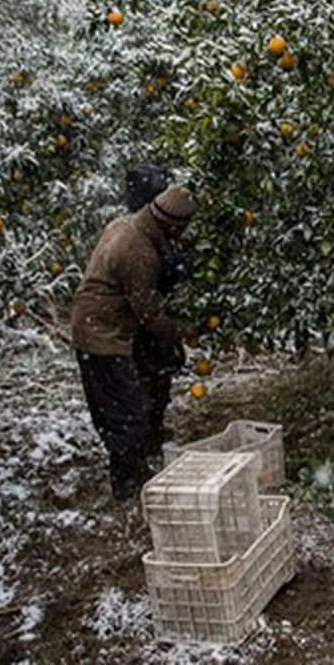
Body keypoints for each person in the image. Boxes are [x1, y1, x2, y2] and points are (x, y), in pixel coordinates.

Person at [71, 185, 194, 499]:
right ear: (171, 226)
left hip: (100, 323)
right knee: (125, 409)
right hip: (102, 335)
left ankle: (135, 461)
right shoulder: (138, 252)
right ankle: (127, 482)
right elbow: (149, 316)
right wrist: (186, 330)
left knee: (137, 396)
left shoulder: (126, 224)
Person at [123, 164, 192, 456]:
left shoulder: (147, 227)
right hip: (139, 323)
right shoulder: (137, 238)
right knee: (146, 382)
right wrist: (180, 329)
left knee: (155, 379)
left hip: (148, 321)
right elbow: (145, 305)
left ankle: (151, 434)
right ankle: (143, 444)